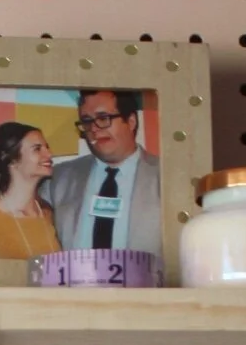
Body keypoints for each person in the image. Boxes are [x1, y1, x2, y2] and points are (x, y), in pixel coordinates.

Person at [49, 87, 162, 258]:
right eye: (87, 121)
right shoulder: (58, 178)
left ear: (131, 121)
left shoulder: (166, 176)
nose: (94, 128)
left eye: (103, 118)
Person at [0, 119, 60, 259]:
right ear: (12, 160)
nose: (49, 154)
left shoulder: (47, 213)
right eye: (37, 149)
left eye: (47, 147)